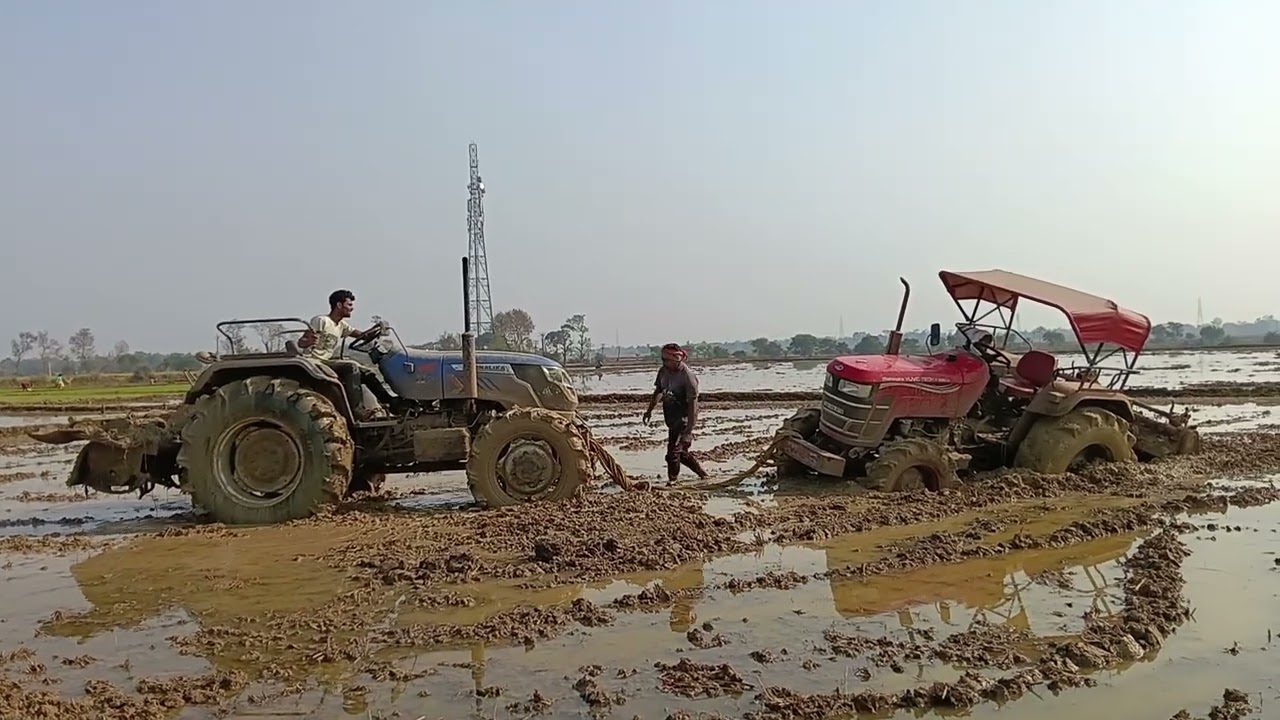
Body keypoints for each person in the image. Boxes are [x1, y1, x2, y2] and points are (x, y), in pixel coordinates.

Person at [299, 289, 401, 417]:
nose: (352, 308)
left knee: (367, 373)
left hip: (326, 361)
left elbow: (362, 336)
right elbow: (301, 342)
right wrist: (308, 341)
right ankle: (357, 411)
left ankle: (392, 403)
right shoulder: (321, 321)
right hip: (314, 361)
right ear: (339, 305)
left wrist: (377, 328)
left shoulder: (342, 325)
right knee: (351, 367)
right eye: (349, 305)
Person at [642, 343, 708, 483]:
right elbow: (658, 391)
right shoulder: (663, 372)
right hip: (671, 419)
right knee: (681, 453)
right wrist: (649, 411)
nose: (664, 362)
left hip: (683, 420)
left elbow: (693, 406)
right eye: (663, 359)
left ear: (677, 359)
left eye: (666, 360)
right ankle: (703, 474)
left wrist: (689, 431)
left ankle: (672, 481)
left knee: (672, 454)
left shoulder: (688, 378)